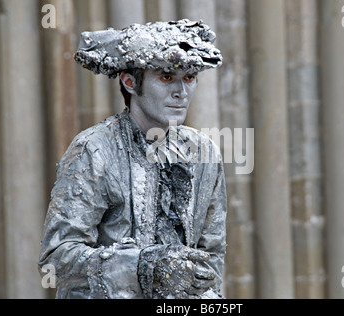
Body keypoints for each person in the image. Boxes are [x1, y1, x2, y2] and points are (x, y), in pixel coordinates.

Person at [38, 19, 227, 299]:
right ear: (130, 82)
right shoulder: (94, 149)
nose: (181, 92)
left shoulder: (204, 152)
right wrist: (142, 266)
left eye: (189, 78)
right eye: (166, 77)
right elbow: (57, 258)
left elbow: (211, 255)